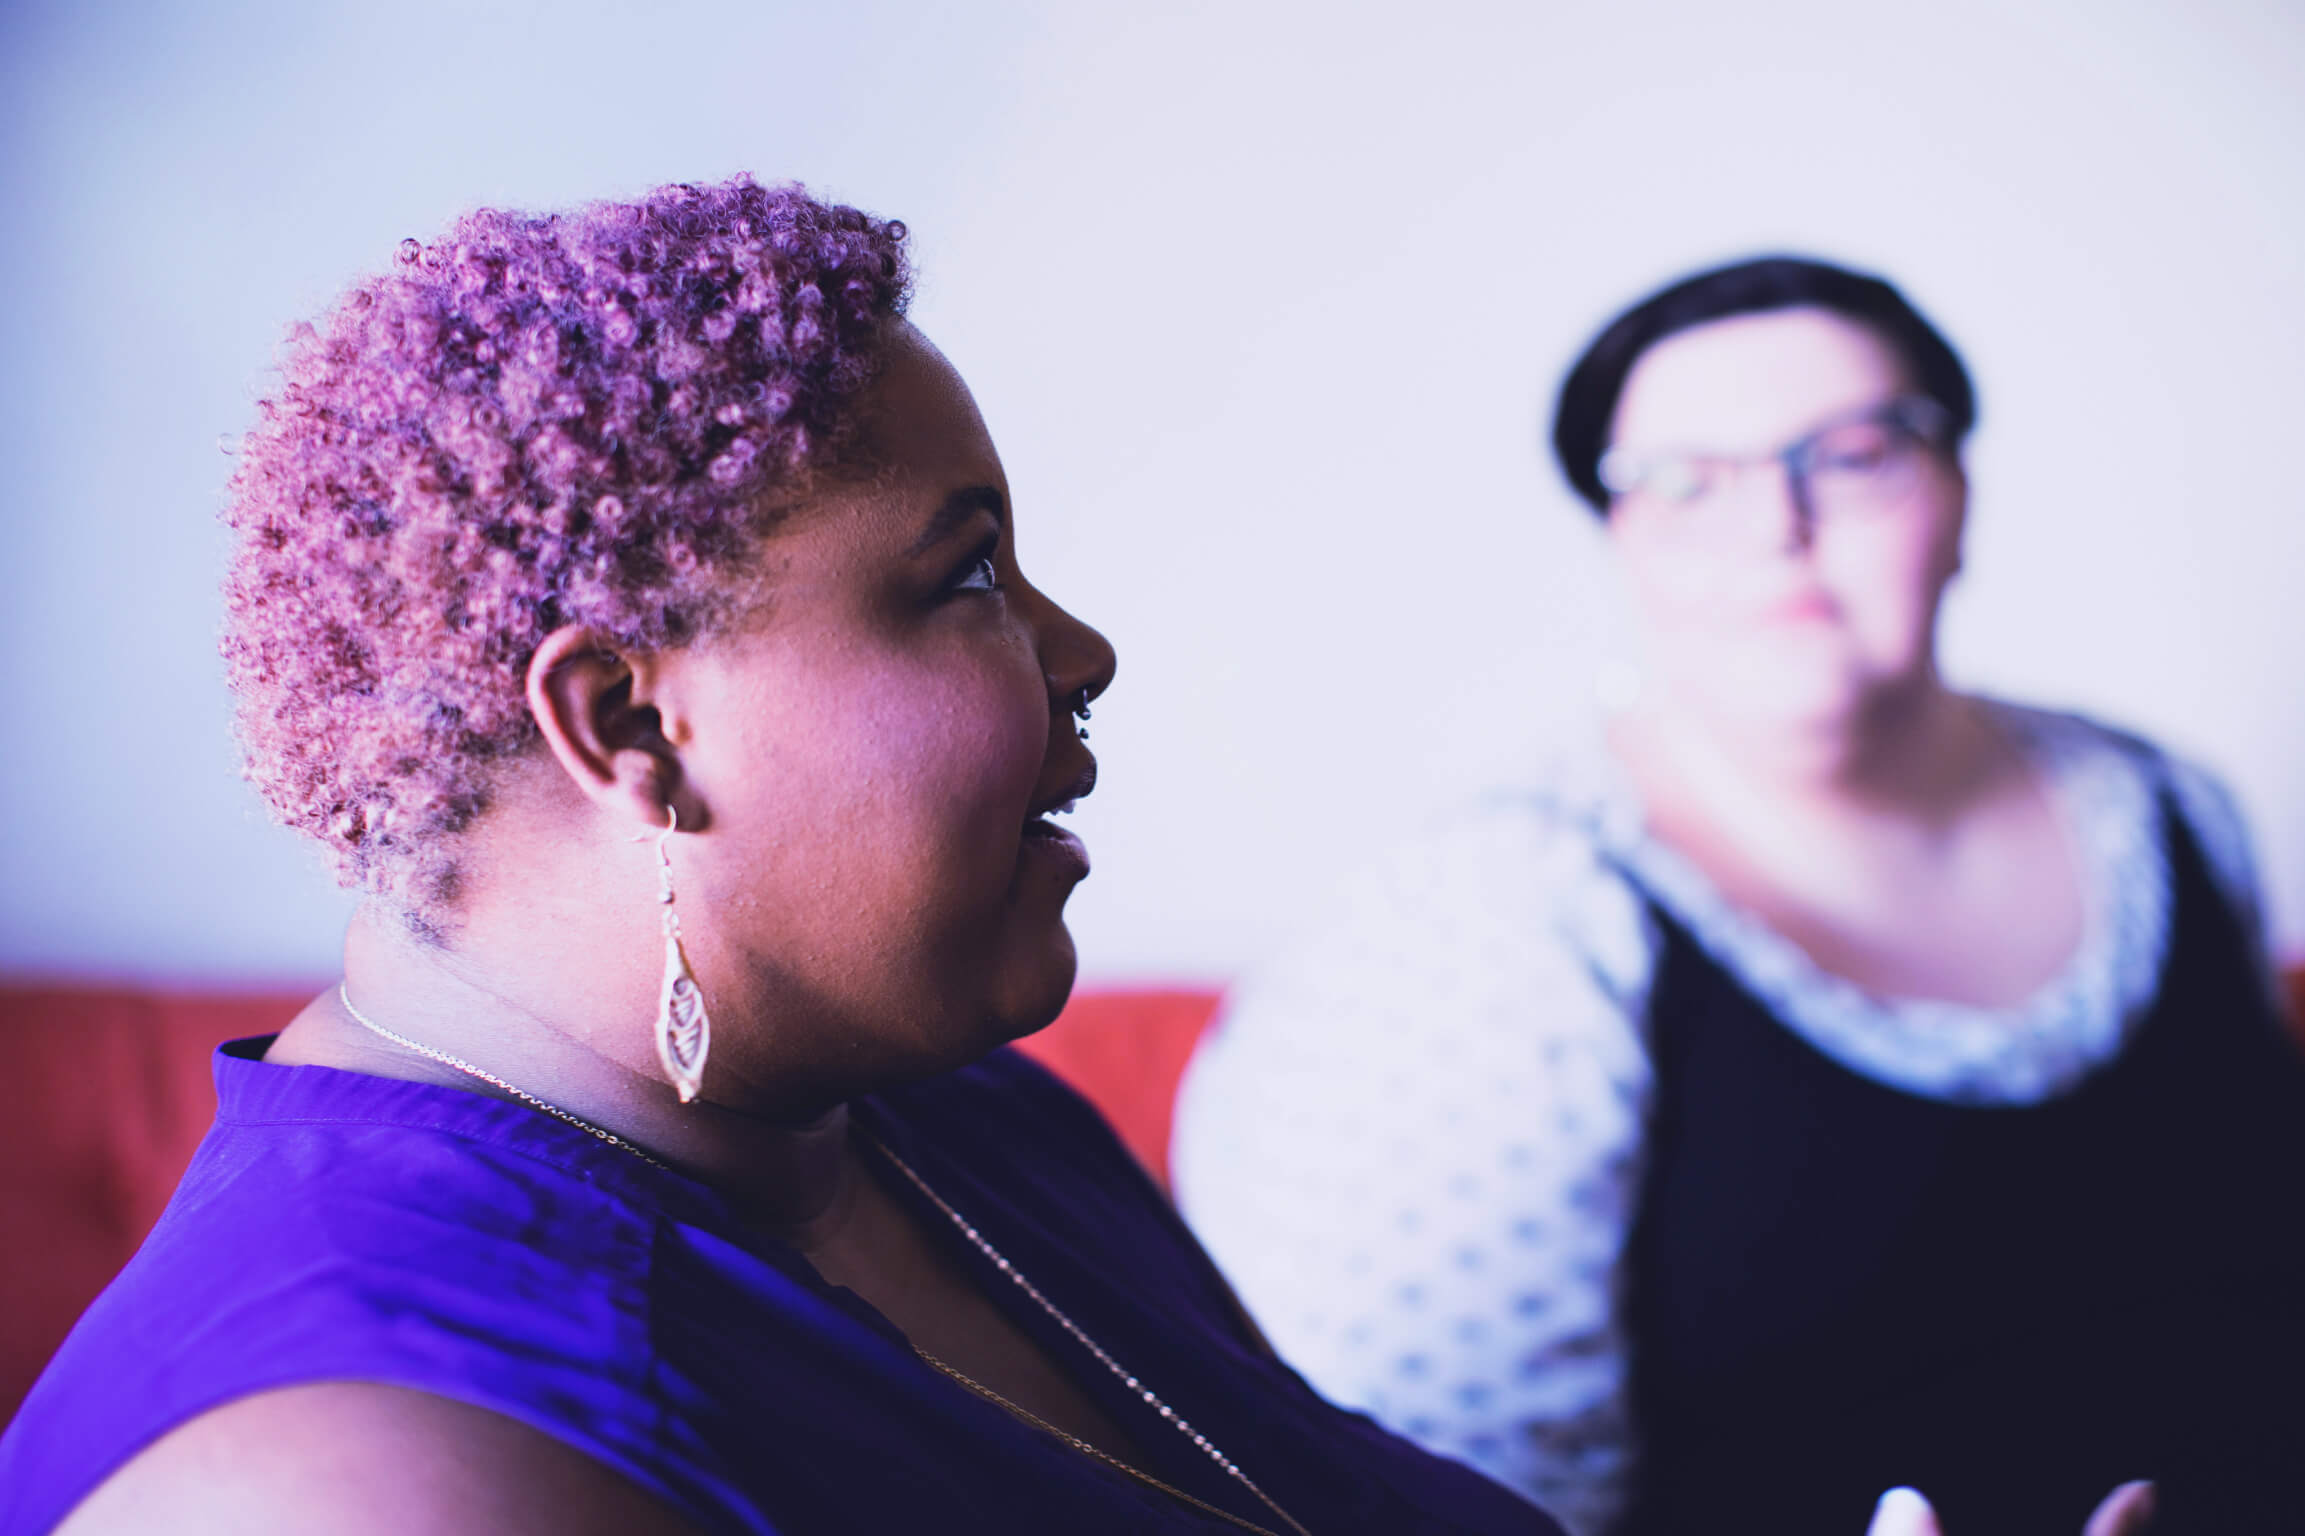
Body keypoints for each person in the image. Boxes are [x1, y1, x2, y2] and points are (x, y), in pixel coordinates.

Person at [0, 177, 1565, 1536]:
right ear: (626, 723)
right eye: (966, 577)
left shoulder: (944, 1115)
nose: (1078, 649)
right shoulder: (377, 1478)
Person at [1171, 256, 2305, 1535]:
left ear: (1958, 493)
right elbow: (1431, 1503)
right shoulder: (1491, 927)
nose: (1778, 525)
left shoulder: (2162, 808)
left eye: (1858, 453)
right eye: (1689, 485)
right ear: (1619, 539)